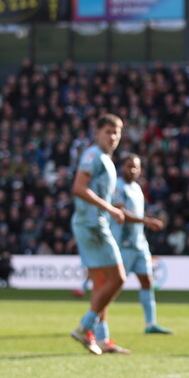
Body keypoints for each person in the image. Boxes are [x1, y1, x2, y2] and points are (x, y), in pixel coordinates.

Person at [70, 113, 128, 356]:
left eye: (116, 133)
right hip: (93, 224)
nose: (113, 137)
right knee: (118, 279)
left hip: (88, 223)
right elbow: (78, 188)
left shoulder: (105, 159)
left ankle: (102, 339)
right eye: (108, 132)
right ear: (97, 133)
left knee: (101, 285)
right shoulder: (93, 156)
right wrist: (109, 208)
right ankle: (85, 326)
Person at [112, 153, 173, 334]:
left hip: (139, 243)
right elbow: (121, 212)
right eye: (129, 166)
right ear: (121, 167)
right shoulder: (117, 186)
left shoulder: (137, 188)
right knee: (113, 285)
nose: (133, 170)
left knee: (147, 281)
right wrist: (147, 221)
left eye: (136, 167)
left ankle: (150, 324)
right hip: (123, 243)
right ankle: (95, 321)